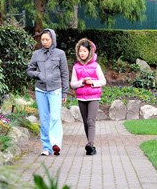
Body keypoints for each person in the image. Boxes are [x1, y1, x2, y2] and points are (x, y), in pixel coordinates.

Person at [27, 28, 69, 156]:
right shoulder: (36, 54)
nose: (44, 42)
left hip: (55, 89)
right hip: (40, 90)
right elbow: (29, 71)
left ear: (53, 40)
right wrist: (38, 74)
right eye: (42, 40)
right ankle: (46, 147)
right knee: (44, 119)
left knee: (55, 117)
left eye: (47, 39)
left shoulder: (60, 54)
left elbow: (65, 74)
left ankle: (55, 144)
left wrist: (65, 92)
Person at [70, 38, 106, 155]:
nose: (82, 53)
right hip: (81, 98)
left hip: (94, 97)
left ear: (89, 52)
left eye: (84, 51)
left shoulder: (96, 66)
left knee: (91, 120)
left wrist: (92, 83)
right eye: (80, 51)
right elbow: (72, 84)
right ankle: (91, 147)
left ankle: (90, 143)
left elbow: (103, 81)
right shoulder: (76, 67)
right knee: (86, 122)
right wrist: (81, 82)